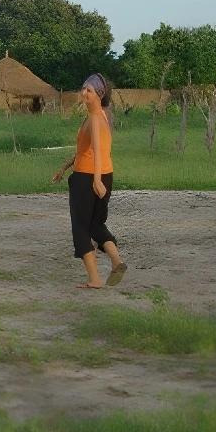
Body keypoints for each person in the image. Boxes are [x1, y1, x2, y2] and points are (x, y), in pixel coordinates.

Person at [52, 73, 127, 289]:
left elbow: (95, 150)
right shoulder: (103, 115)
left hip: (88, 179)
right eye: (83, 88)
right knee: (96, 224)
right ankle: (116, 261)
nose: (84, 93)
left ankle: (95, 279)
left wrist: (95, 180)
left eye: (90, 90)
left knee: (80, 228)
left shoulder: (95, 118)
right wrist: (64, 168)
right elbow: (86, 150)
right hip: (106, 174)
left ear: (99, 94)